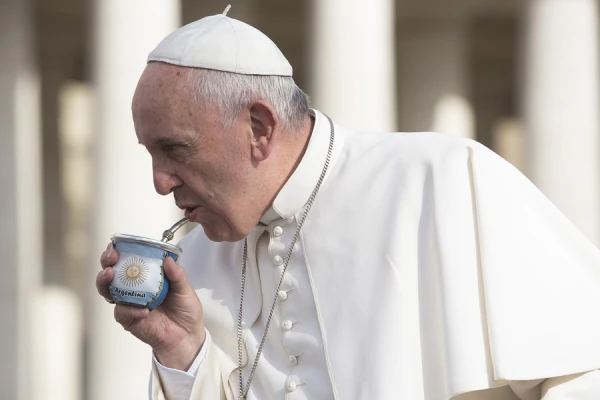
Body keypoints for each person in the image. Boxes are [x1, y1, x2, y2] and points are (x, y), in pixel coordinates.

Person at [96, 11, 600, 400]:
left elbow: (582, 370)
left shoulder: (440, 180)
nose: (160, 183)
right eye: (150, 153)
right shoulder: (202, 252)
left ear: (259, 128)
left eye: (175, 150)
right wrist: (182, 349)